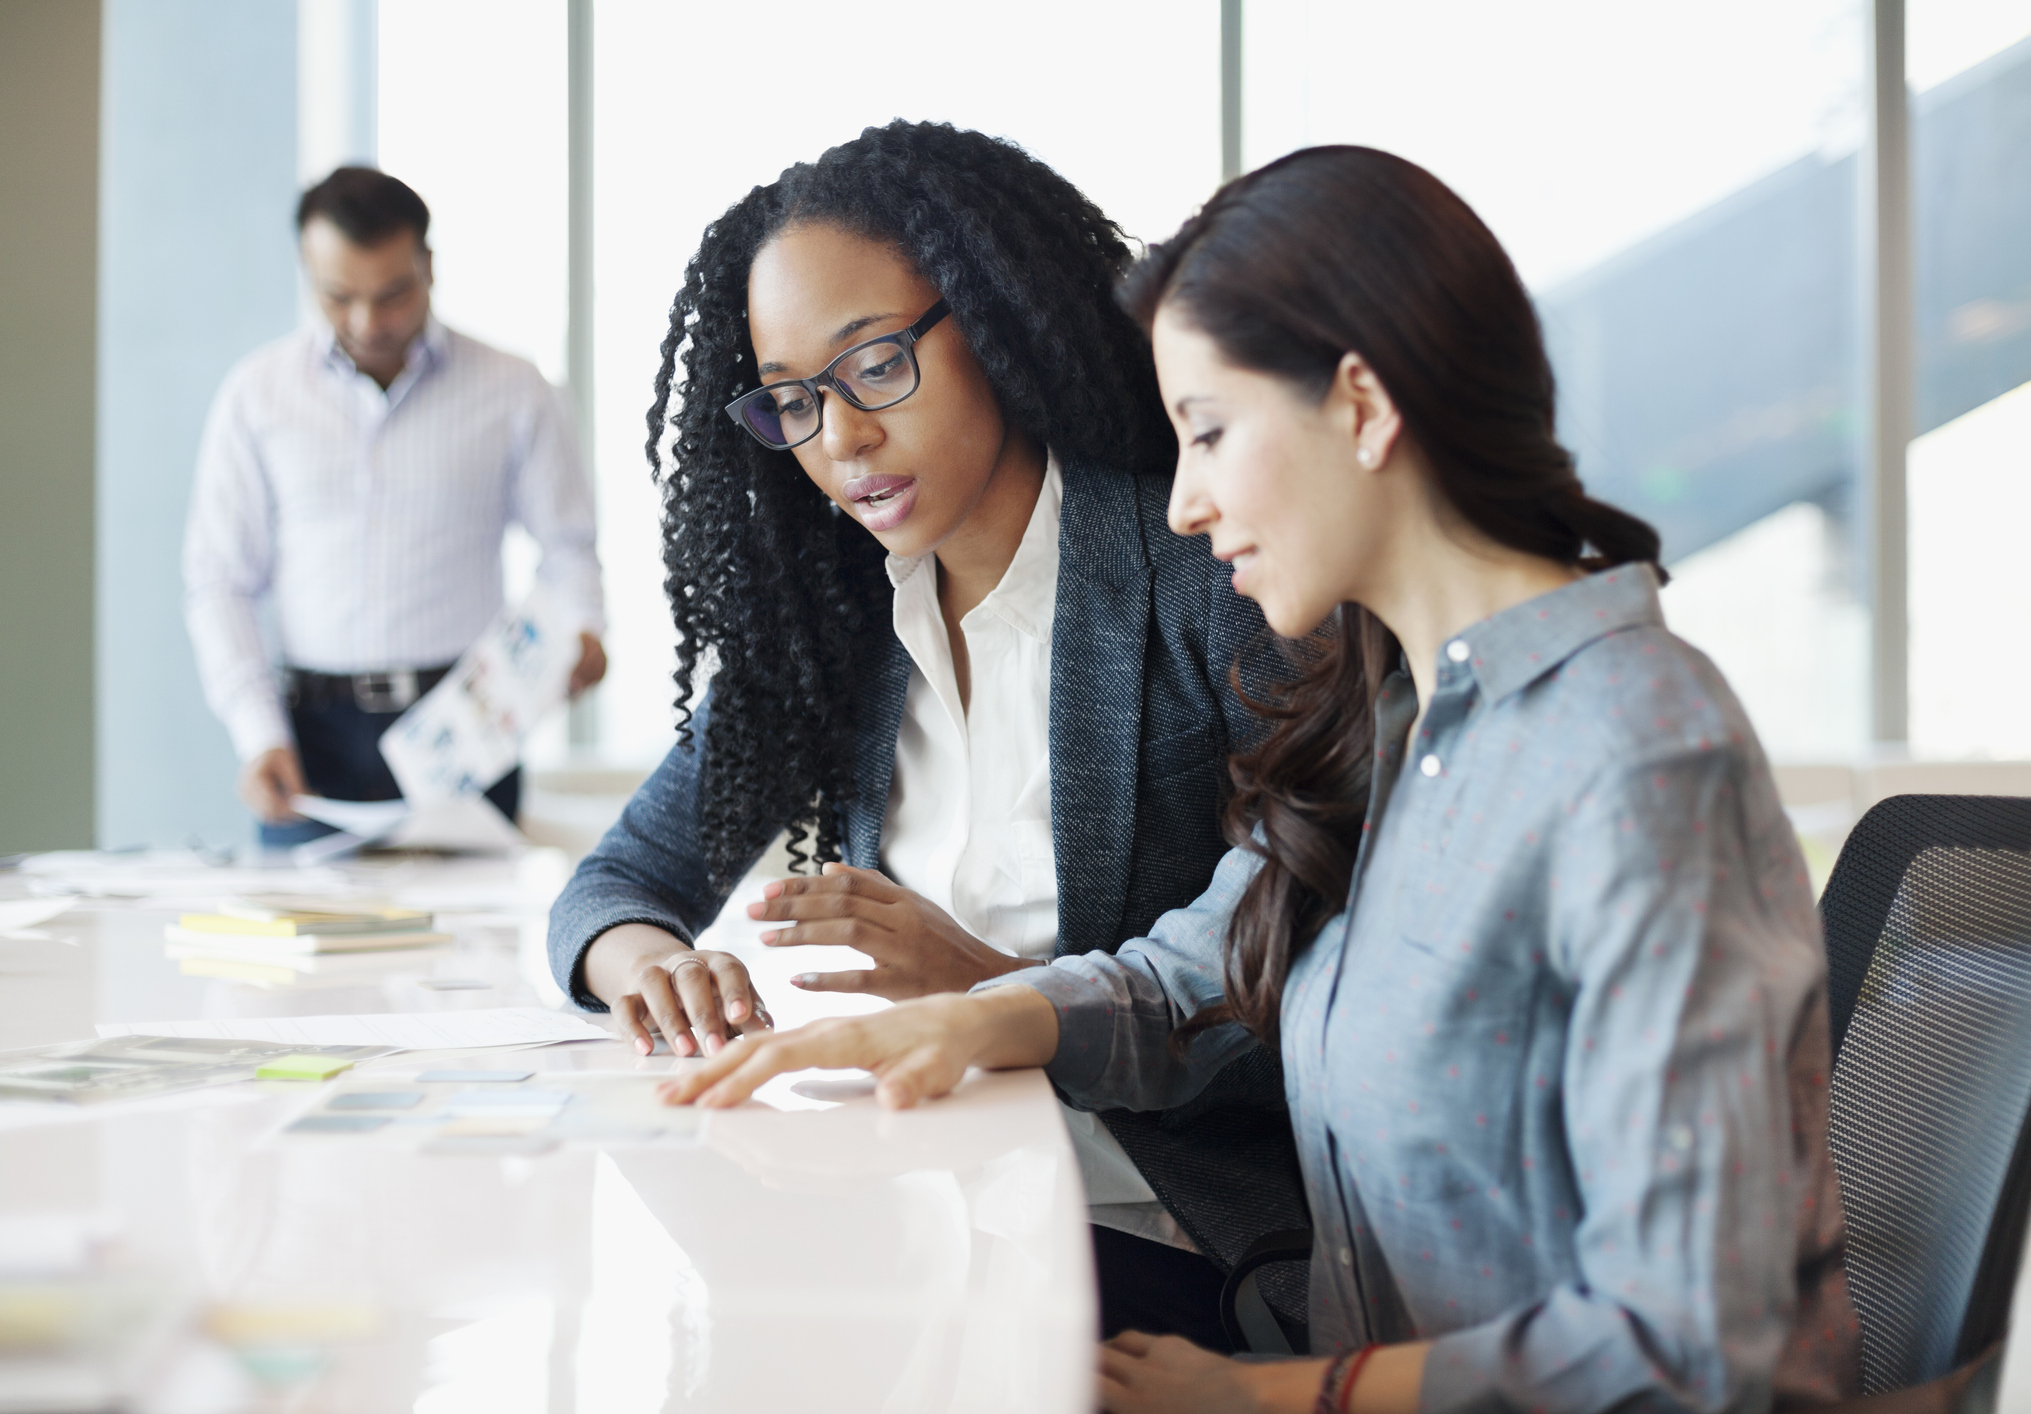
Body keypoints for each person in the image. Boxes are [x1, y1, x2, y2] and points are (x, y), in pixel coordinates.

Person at [656, 145, 1863, 1414]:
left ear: (1360, 406)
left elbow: (1688, 1349)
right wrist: (980, 1017)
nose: (1182, 504)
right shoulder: (1407, 715)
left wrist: (1271, 1397)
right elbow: (1216, 958)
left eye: (1211, 433)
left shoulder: (1631, 756)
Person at [546, 122, 1305, 1347]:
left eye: (876, 365)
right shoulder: (836, 628)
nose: (839, 439)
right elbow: (618, 885)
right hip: (921, 1210)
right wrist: (654, 970)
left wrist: (993, 994)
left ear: (994, 321)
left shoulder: (1206, 569)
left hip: (1156, 1231)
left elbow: (1301, 985)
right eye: (792, 400)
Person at [183, 166, 607, 846]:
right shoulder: (256, 396)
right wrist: (257, 734)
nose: (367, 321)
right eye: (338, 296)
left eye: (392, 294)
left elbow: (566, 544)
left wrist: (583, 626)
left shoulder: (513, 388)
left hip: (467, 727)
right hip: (310, 738)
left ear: (428, 267)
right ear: (306, 272)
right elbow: (219, 582)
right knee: (309, 948)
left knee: (478, 947)